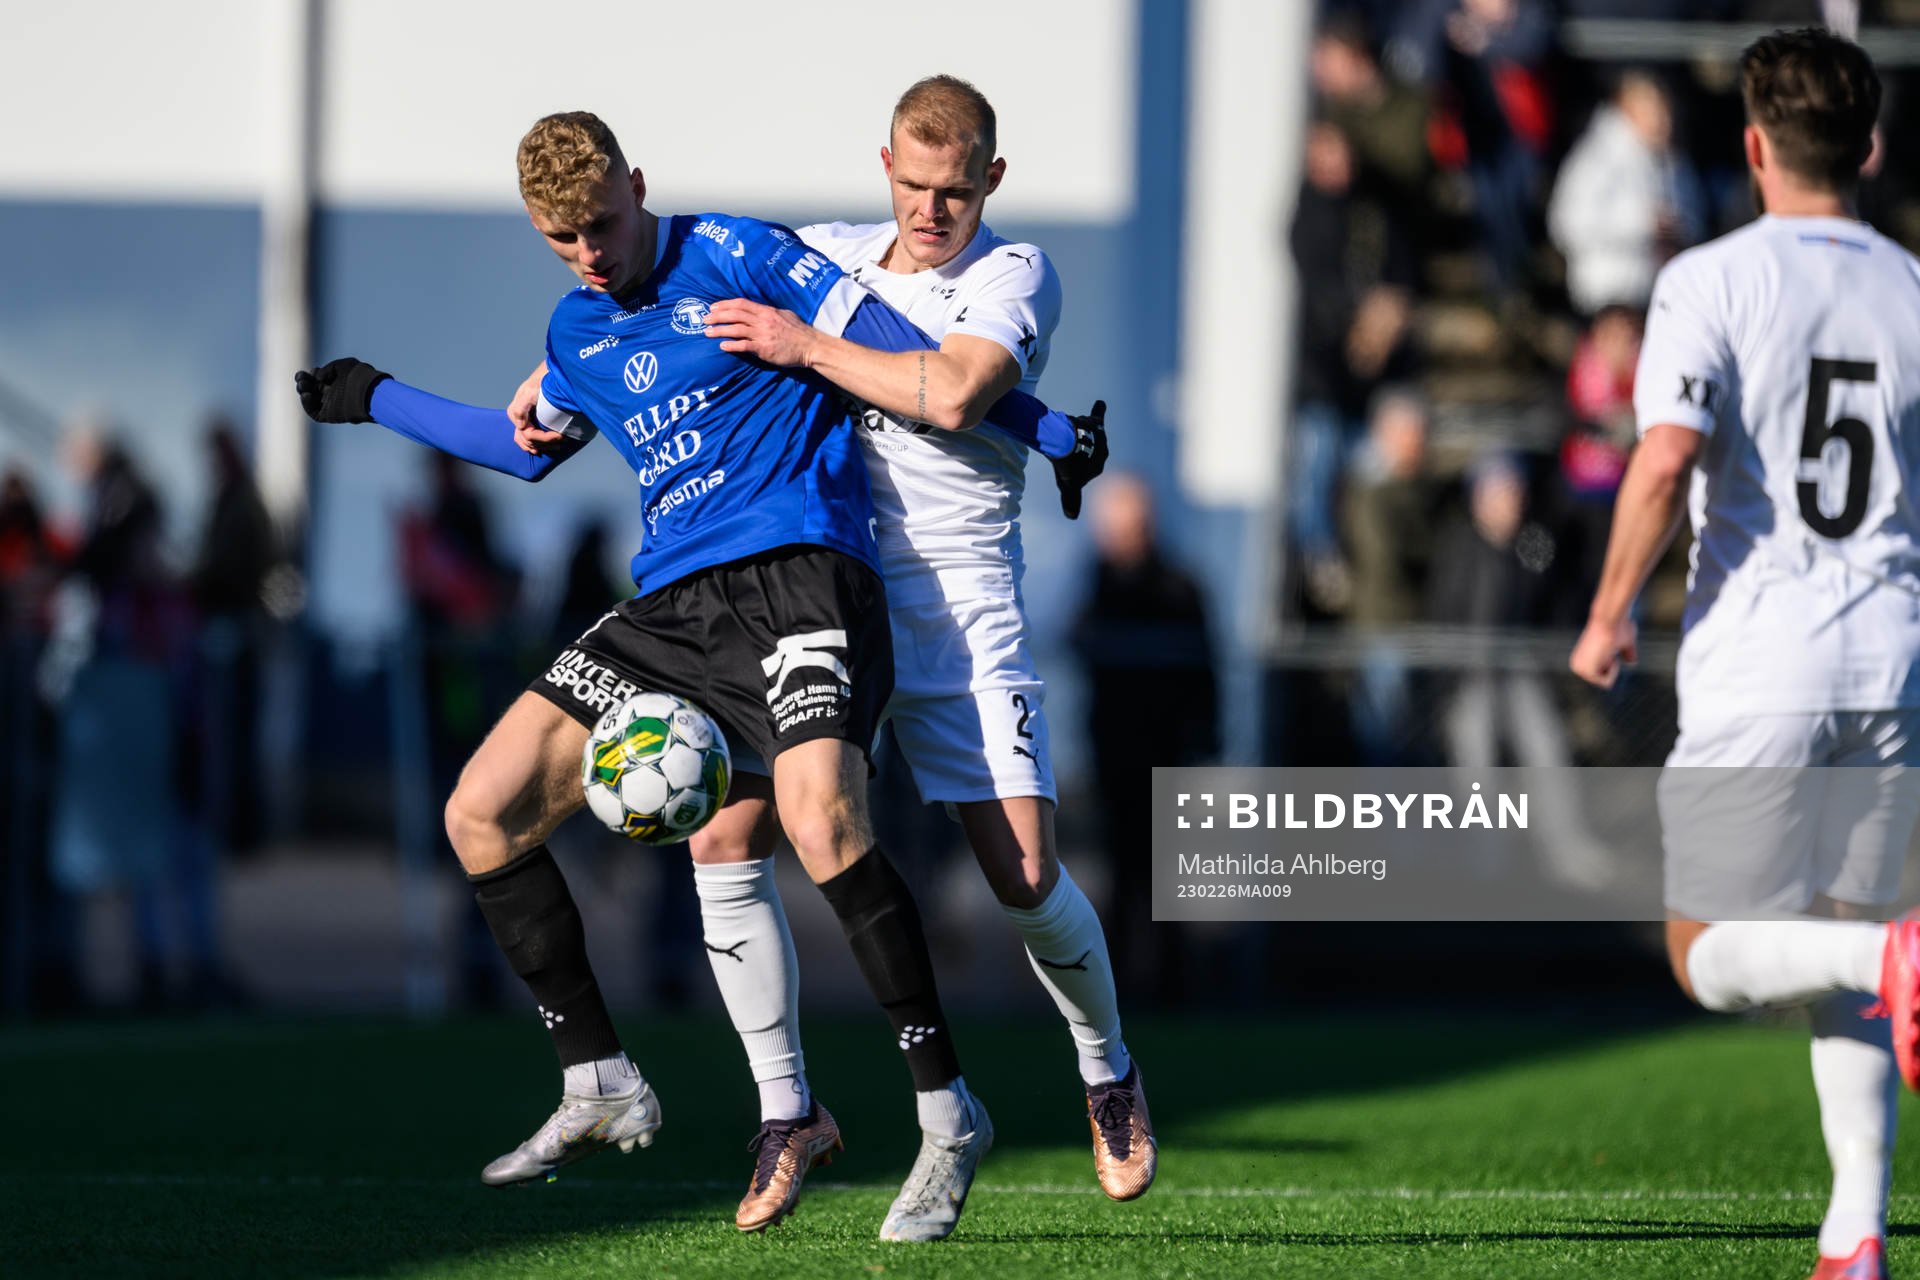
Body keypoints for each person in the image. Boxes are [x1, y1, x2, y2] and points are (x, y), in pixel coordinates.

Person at [295, 110, 1102, 1244]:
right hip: (674, 604)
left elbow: (904, 354)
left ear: (639, 183)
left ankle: (944, 1105)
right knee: (480, 811)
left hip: (807, 574)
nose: (589, 252)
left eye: (603, 224)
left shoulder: (736, 251)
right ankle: (600, 1075)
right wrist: (376, 395)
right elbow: (525, 448)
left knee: (821, 822)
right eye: (561, 237)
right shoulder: (577, 328)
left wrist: (1052, 425)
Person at [511, 75, 1148, 1222]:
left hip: (951, 603)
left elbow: (952, 392)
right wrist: (553, 378)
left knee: (1027, 874)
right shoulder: (835, 251)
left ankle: (1106, 1067)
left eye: (954, 190)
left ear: (990, 181)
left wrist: (806, 345)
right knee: (725, 833)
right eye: (911, 184)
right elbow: (681, 280)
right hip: (814, 578)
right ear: (885, 169)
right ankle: (787, 1110)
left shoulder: (1015, 274)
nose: (929, 211)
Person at [1569, 30, 1920, 1280]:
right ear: (1868, 149)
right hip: (1891, 657)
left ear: (1754, 146)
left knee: (1707, 951)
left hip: (1764, 658)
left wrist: (1609, 612)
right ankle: (1856, 1234)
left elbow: (1663, 459)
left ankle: (1890, 955)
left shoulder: (1709, 279)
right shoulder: (1912, 287)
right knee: (1848, 939)